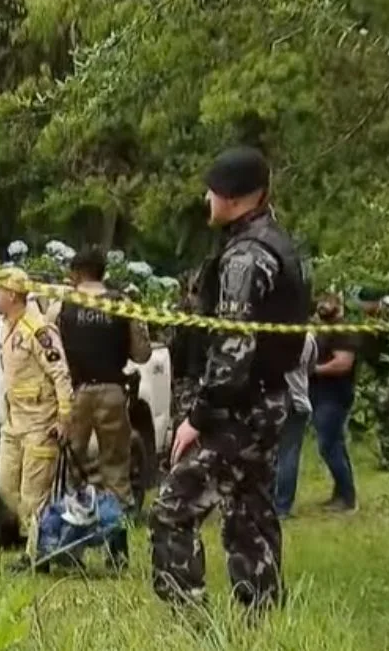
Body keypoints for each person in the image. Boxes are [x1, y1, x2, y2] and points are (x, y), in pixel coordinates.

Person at [150, 146, 309, 610]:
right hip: (266, 401)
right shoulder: (278, 242)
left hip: (239, 409)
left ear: (235, 197)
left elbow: (234, 350)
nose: (206, 198)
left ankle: (189, 622)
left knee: (172, 510)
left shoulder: (246, 257)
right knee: (250, 513)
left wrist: (198, 418)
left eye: (212, 190)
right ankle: (261, 622)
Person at [48, 249, 152, 566]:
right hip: (112, 392)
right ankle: (116, 552)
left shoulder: (61, 305)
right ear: (102, 272)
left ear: (76, 273)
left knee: (71, 472)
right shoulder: (121, 304)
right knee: (116, 472)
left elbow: (51, 353)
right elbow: (142, 354)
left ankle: (70, 551)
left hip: (75, 394)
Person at [0, 266, 75, 572]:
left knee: (34, 495)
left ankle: (37, 556)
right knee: (5, 486)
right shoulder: (6, 326)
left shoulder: (38, 329)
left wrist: (64, 419)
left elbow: (60, 375)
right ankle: (42, 538)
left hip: (40, 424)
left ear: (12, 294)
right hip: (14, 423)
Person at [310, 293, 360, 511]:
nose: (323, 305)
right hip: (322, 394)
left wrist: (313, 370)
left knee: (328, 446)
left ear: (338, 306)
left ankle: (347, 497)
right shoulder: (324, 329)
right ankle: (342, 493)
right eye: (321, 301)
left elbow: (343, 363)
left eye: (328, 301)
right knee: (335, 444)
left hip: (335, 395)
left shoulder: (343, 330)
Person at [273, 332, 317, 519]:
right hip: (299, 399)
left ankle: (269, 503)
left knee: (271, 454)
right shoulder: (308, 337)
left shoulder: (270, 332)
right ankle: (282, 506)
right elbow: (311, 367)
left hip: (274, 400)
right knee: (289, 454)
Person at [357, 288, 389, 470]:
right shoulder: (370, 321)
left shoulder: (387, 315)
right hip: (380, 373)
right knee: (383, 416)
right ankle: (388, 457)